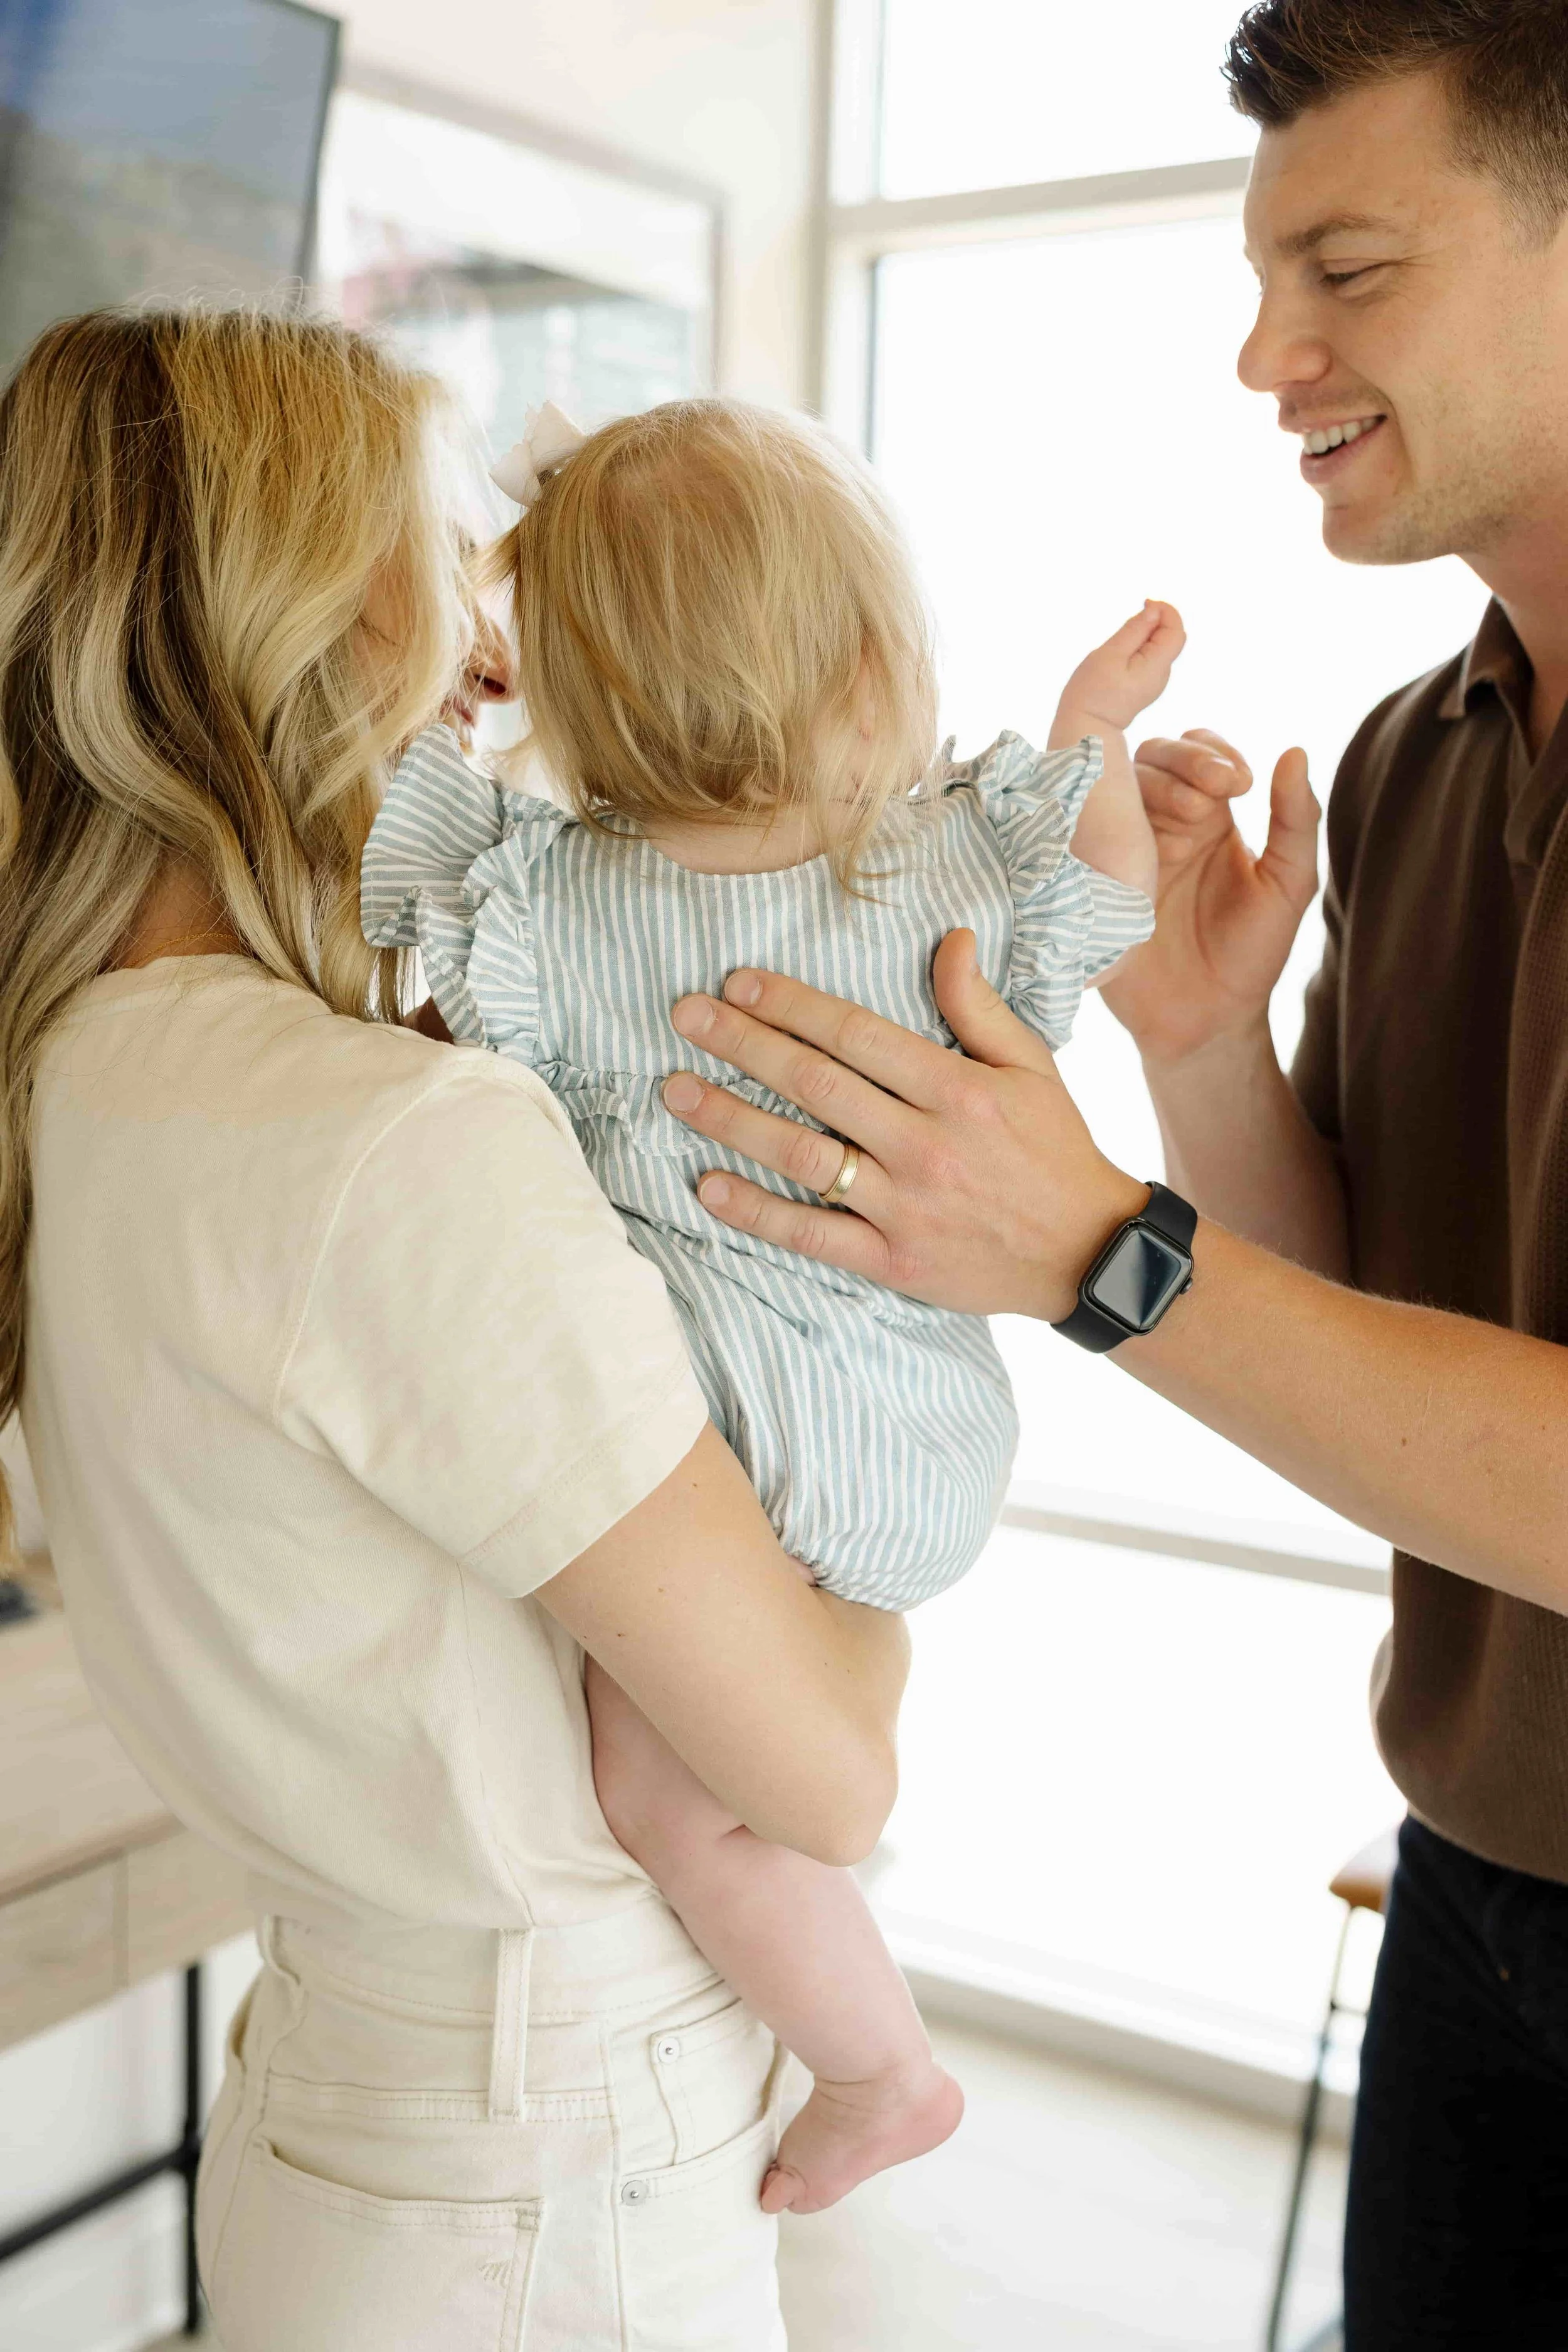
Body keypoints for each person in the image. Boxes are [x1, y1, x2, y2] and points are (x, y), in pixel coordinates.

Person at [656, 3, 1568, 2342]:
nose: (1266, 350)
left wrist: (1085, 1243)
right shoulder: (1410, 756)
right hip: (1482, 1881)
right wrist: (1194, 1035)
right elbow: (1357, 1346)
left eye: (1345, 269)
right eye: (1262, 272)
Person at [1, 307, 911, 2352]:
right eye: (440, 569)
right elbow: (829, 1780)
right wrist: (902, 1499)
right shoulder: (390, 1139)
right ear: (306, 624)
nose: (498, 666)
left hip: (356, 2128)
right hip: (548, 2179)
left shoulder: (76, 1079)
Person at [361, 391, 1176, 2213]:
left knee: (666, 1801)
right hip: (923, 1434)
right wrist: (1088, 739)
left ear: (566, 689)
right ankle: (842, 1911)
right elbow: (1101, 892)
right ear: (876, 652)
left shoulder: (549, 906)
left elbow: (407, 971)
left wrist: (434, 724)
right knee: (749, 1769)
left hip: (730, 1462)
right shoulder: (942, 864)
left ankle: (882, 2067)